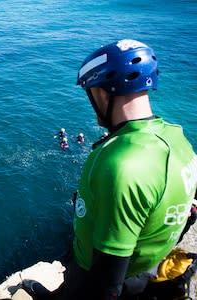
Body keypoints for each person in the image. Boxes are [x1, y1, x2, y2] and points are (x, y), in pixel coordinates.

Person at [24, 39, 197, 299]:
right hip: (145, 265)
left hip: (94, 276)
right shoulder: (179, 140)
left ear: (103, 93)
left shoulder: (121, 164)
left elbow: (107, 286)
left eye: (91, 92)